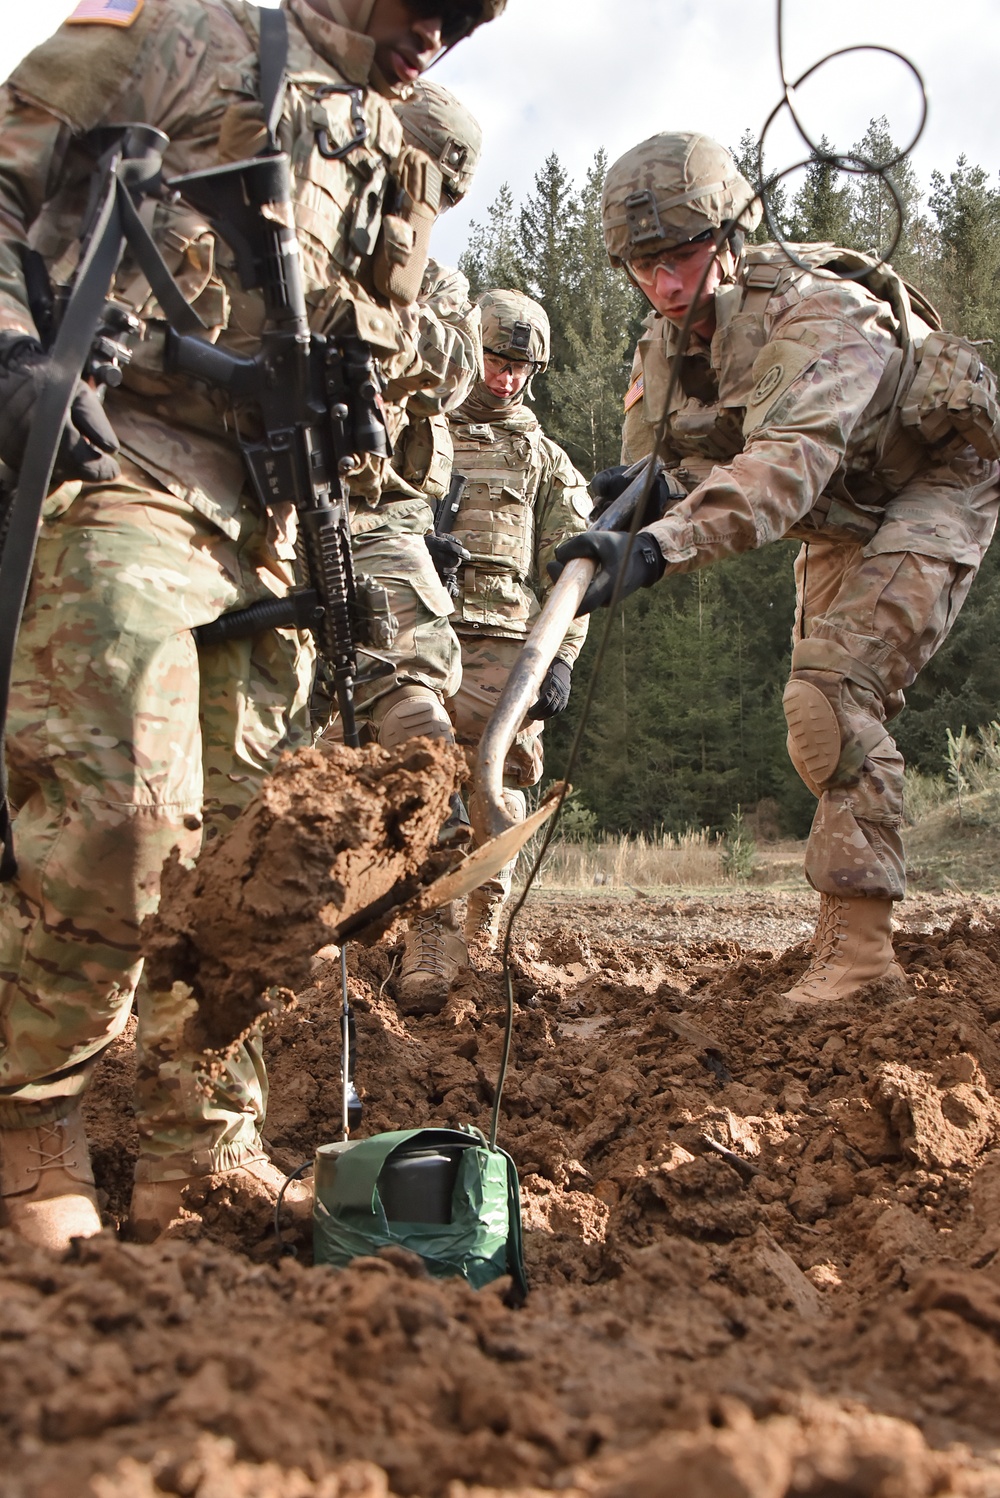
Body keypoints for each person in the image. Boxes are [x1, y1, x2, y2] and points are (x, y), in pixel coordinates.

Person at [0, 0, 503, 1252]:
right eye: (426, 3)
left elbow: (367, 422)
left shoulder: (394, 155)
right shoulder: (173, 32)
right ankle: (28, 1132)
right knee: (117, 824)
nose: (439, 33)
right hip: (128, 469)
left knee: (250, 877)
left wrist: (383, 617)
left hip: (281, 538)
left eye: (470, 15)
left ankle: (198, 1144)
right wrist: (13, 355)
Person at [553, 132, 1000, 1007]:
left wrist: (657, 547)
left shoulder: (821, 313)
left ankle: (863, 961)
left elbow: (786, 467)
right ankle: (845, 929)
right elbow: (672, 468)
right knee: (815, 717)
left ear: (731, 234)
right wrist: (640, 500)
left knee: (833, 691)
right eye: (644, 266)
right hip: (842, 507)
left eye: (682, 256)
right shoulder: (664, 347)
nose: (667, 285)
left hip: (936, 479)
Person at [441, 289, 591, 952]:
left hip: (508, 648)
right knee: (422, 778)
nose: (505, 377)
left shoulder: (545, 459)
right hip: (425, 636)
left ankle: (482, 932)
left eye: (519, 368)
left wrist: (562, 659)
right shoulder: (422, 437)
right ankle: (427, 932)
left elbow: (578, 572)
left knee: (496, 783)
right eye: (495, 360)